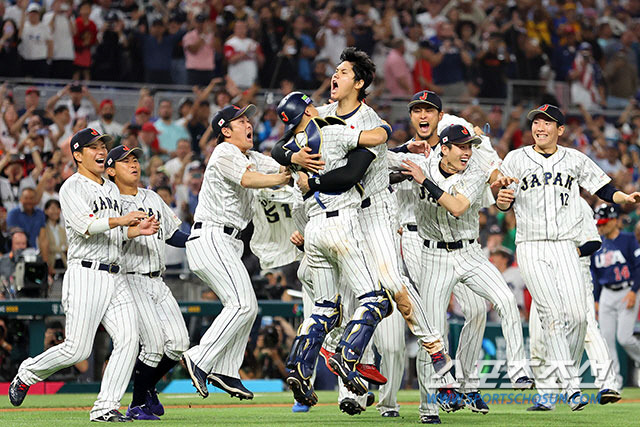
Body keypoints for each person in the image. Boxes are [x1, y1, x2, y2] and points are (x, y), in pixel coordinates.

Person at [8, 127, 159, 422]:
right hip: (86, 273)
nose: (101, 150)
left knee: (129, 339)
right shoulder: (71, 187)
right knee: (77, 350)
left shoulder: (111, 188)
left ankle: (105, 407)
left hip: (116, 274)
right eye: (93, 147)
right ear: (77, 155)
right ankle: (27, 372)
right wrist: (121, 219)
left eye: (102, 145)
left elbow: (114, 232)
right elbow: (86, 226)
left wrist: (133, 230)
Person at [496, 104, 640, 411]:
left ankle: (563, 376)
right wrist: (503, 200)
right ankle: (571, 386)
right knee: (550, 314)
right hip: (532, 244)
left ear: (560, 130)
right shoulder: (516, 158)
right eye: (536, 122)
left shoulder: (574, 158)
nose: (540, 127)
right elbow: (502, 197)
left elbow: (603, 187)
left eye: (548, 123)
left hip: (565, 246)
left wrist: (624, 198)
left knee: (577, 317)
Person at [402, 124, 533, 424]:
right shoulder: (422, 164)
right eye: (461, 146)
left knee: (504, 300)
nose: (467, 152)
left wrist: (425, 182)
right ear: (443, 148)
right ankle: (428, 408)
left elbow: (458, 206)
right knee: (433, 336)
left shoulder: (474, 170)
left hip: (470, 252)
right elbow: (386, 166)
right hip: (433, 256)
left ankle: (518, 368)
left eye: (469, 146)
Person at [273, 90, 396, 408]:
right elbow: (379, 138)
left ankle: (299, 367)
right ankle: (348, 354)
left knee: (326, 308)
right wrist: (382, 126)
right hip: (342, 223)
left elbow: (277, 150)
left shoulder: (293, 147)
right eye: (311, 104)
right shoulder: (331, 128)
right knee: (377, 300)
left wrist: (293, 160)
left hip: (313, 230)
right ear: (309, 109)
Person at [181, 105, 291, 400]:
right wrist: (281, 179)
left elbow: (281, 168)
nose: (248, 123)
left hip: (229, 242)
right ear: (226, 131)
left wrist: (296, 159)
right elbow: (249, 180)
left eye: (248, 119)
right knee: (243, 305)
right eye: (241, 120)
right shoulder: (224, 151)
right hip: (212, 235)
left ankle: (227, 370)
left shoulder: (250, 156)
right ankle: (200, 358)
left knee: (248, 307)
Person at [391, 90, 491, 416]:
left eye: (428, 110)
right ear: (411, 117)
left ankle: (465, 383)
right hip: (418, 241)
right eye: (416, 110)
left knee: (477, 308)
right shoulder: (411, 152)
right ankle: (429, 404)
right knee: (433, 323)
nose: (422, 115)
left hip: (460, 243)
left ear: (439, 116)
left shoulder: (459, 152)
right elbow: (378, 167)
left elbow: (480, 185)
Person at [104, 145, 190, 420]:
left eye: (135, 159)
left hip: (157, 279)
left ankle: (147, 386)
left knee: (178, 343)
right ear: (110, 170)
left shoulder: (151, 196)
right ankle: (137, 404)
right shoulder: (109, 201)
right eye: (124, 161)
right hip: (129, 279)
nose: (133, 164)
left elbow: (173, 234)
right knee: (152, 345)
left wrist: (201, 238)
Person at [528, 199, 621, 411]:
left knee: (587, 327)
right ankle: (546, 396)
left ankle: (607, 384)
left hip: (575, 269)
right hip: (542, 271)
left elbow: (593, 241)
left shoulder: (578, 204)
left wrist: (567, 255)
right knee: (538, 336)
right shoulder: (535, 199)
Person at [591, 204, 640, 391]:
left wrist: (634, 290)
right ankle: (613, 383)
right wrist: (595, 299)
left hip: (627, 290)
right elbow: (594, 275)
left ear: (613, 221)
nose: (600, 227)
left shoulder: (627, 239)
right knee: (606, 340)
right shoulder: (597, 243)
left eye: (603, 223)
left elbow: (638, 267)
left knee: (625, 338)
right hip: (606, 294)